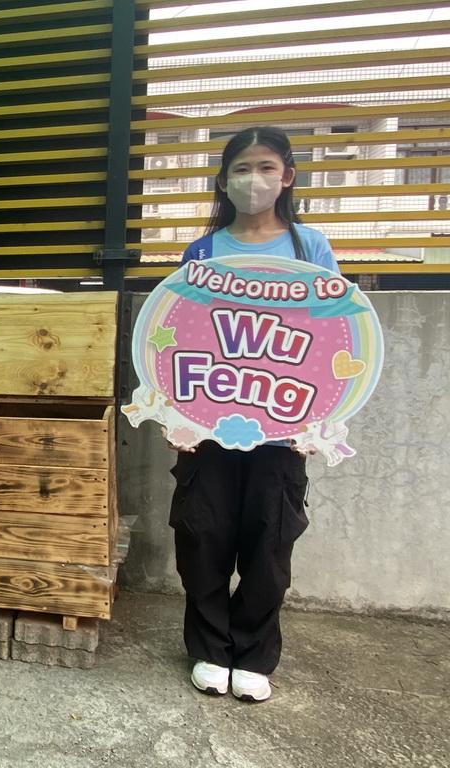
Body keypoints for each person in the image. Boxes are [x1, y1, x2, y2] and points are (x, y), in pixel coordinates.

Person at [169, 126, 339, 702]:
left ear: (287, 176)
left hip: (283, 428)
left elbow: (334, 336)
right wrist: (176, 412)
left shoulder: (309, 248)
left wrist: (320, 419)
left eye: (266, 167)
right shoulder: (203, 252)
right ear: (223, 180)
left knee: (270, 544)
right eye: (242, 168)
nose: (254, 179)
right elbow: (177, 336)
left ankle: (254, 652)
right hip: (210, 425)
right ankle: (210, 649)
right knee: (203, 538)